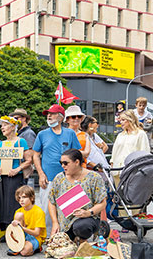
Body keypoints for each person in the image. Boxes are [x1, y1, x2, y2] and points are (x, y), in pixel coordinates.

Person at [32, 104, 81, 234]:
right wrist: (41, 174)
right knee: (47, 210)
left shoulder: (70, 133)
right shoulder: (42, 134)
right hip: (48, 179)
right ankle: (49, 237)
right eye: (48, 114)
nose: (49, 116)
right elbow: (35, 155)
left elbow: (77, 154)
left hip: (68, 179)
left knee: (69, 209)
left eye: (52, 114)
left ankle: (68, 236)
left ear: (60, 117)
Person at [48, 149, 107, 243]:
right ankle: (74, 239)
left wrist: (88, 213)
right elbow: (51, 202)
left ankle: (83, 239)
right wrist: (55, 223)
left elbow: (102, 203)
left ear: (77, 162)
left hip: (87, 219)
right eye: (61, 163)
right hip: (64, 223)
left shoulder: (94, 177)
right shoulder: (59, 178)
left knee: (81, 227)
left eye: (65, 163)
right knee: (58, 245)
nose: (63, 166)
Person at [0, 116, 31, 231]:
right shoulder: (2, 143)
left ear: (13, 127)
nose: (2, 128)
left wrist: (17, 169)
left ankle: (15, 228)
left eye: (5, 125)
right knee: (2, 202)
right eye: (1, 126)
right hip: (1, 177)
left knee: (13, 203)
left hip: (15, 177)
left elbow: (29, 160)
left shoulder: (21, 141)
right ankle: (4, 230)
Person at [110, 111, 150, 179]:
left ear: (130, 120)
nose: (121, 122)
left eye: (123, 120)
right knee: (118, 189)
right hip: (117, 171)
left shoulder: (141, 134)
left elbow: (145, 152)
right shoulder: (120, 135)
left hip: (132, 171)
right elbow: (114, 152)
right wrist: (112, 162)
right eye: (120, 120)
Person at [9, 185, 46, 257]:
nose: (21, 200)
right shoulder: (18, 211)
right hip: (23, 234)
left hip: (35, 237)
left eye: (24, 197)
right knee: (19, 215)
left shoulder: (38, 211)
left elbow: (37, 233)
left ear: (32, 198)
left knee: (24, 252)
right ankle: (22, 244)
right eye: (19, 198)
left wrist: (22, 228)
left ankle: (35, 247)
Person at [10, 108, 36, 185]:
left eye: (16, 118)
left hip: (22, 173)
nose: (14, 121)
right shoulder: (19, 133)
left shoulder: (28, 133)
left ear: (24, 118)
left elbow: (30, 156)